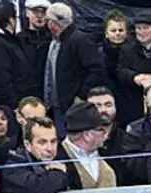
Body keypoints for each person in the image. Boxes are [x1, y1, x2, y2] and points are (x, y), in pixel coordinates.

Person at [44, 3, 107, 136]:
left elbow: (97, 69)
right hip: (57, 106)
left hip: (72, 106)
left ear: (53, 23)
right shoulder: (55, 42)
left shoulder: (80, 40)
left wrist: (81, 95)